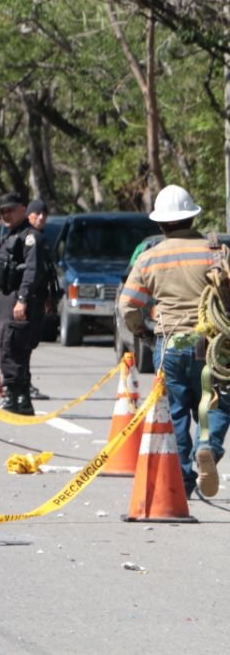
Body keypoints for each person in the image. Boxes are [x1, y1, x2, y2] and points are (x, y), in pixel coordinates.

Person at [119, 185, 226, 497]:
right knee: (218, 403)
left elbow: (128, 306)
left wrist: (141, 332)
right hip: (212, 345)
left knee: (176, 411)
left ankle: (182, 480)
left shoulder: (150, 258)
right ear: (192, 218)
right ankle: (208, 445)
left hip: (170, 343)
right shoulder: (216, 252)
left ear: (162, 223)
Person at [0, 193, 50, 416]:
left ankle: (13, 397)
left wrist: (22, 299)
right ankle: (21, 399)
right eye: (3, 211)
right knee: (8, 347)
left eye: (10, 210)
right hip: (4, 300)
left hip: (18, 301)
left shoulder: (31, 237)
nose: (6, 214)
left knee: (12, 348)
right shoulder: (12, 236)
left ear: (23, 209)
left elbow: (32, 272)